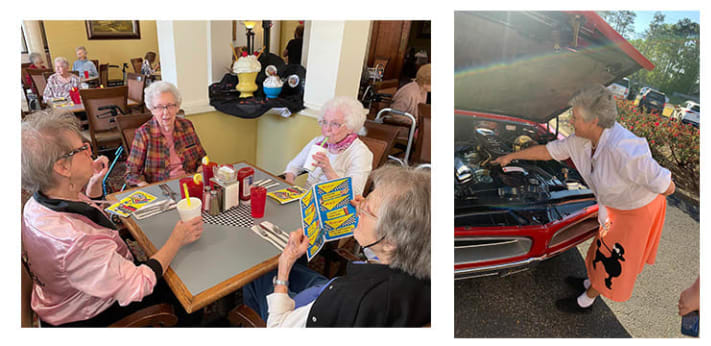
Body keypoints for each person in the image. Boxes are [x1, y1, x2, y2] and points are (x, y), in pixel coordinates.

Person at [492, 84, 675, 313]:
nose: (571, 121)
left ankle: (586, 300)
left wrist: (640, 186)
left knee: (614, 257)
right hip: (615, 207)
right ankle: (591, 282)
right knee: (601, 246)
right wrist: (510, 157)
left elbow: (667, 187)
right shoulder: (581, 138)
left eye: (576, 117)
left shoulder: (625, 149)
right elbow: (547, 151)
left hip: (637, 212)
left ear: (594, 121)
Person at [21, 110, 204, 326]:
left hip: (68, 292)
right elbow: (139, 284)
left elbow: (84, 218)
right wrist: (177, 239)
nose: (91, 152)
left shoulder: (39, 202)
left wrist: (93, 185)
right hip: (91, 312)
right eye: (83, 148)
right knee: (190, 289)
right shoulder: (75, 243)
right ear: (62, 167)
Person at [243, 165, 431, 327]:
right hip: (332, 288)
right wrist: (367, 212)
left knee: (258, 270)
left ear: (390, 242)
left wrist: (283, 268)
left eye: (366, 209)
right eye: (365, 199)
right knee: (298, 267)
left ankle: (248, 318)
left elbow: (279, 328)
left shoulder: (349, 299)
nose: (359, 209)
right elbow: (384, 254)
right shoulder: (422, 271)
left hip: (319, 305)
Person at [283, 96, 372, 197]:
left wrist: (328, 170)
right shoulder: (318, 142)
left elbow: (354, 194)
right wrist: (289, 185)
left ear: (350, 127)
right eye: (324, 122)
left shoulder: (360, 153)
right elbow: (293, 166)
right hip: (307, 200)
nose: (327, 129)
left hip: (333, 207)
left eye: (335, 124)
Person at [125, 81, 207, 186]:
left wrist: (201, 170)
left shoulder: (187, 126)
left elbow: (202, 158)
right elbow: (131, 173)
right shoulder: (144, 134)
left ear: (177, 107)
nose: (165, 112)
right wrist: (145, 186)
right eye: (159, 107)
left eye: (170, 106)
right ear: (152, 109)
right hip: (162, 188)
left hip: (190, 182)